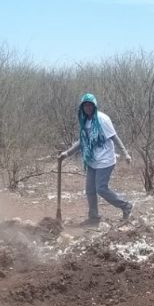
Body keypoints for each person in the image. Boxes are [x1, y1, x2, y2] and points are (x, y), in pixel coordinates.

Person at [57, 93, 134, 226]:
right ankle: (94, 217)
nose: (87, 108)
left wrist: (125, 153)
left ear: (94, 106)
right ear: (82, 107)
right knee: (90, 190)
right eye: (85, 105)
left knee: (101, 188)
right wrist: (67, 153)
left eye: (90, 105)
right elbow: (82, 142)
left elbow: (114, 137)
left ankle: (126, 206)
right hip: (92, 160)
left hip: (105, 160)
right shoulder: (86, 121)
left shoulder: (103, 119)